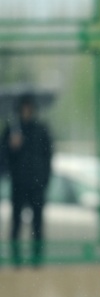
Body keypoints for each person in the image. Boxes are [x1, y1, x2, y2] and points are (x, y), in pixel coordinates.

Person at [0, 93, 53, 267]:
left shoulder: (41, 130)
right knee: (16, 222)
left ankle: (37, 260)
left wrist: (44, 179)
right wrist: (11, 147)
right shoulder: (12, 130)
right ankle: (16, 260)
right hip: (18, 183)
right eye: (24, 108)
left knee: (37, 223)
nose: (26, 111)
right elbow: (3, 157)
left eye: (29, 108)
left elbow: (48, 156)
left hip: (37, 184)